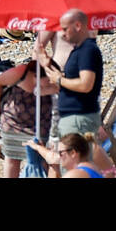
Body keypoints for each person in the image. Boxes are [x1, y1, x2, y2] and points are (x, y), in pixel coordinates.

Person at [38, 8, 103, 138]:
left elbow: (85, 84)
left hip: (78, 117)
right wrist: (49, 65)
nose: (62, 34)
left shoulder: (87, 50)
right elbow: (71, 79)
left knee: (76, 156)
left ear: (78, 26)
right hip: (73, 114)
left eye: (65, 29)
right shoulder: (80, 49)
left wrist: (59, 80)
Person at [26, 132, 107, 178]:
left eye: (60, 153)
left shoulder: (75, 175)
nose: (58, 157)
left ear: (73, 153)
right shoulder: (91, 167)